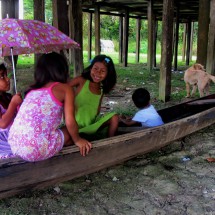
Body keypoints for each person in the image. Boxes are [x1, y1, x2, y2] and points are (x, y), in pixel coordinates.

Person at [8, 52, 92, 162]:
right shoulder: (66, 89)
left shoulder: (31, 91)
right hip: (34, 149)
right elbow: (70, 122)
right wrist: (78, 140)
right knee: (70, 131)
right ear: (62, 70)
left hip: (14, 143)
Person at [68, 54, 119, 138]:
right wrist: (68, 102)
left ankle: (111, 142)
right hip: (74, 128)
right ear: (91, 68)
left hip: (91, 126)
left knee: (115, 117)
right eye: (95, 69)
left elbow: (97, 109)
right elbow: (63, 89)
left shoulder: (101, 89)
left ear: (108, 74)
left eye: (102, 71)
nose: (98, 73)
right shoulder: (81, 80)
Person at [0, 62, 23, 159]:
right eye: (2, 76)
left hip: (15, 136)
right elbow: (3, 123)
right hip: (3, 144)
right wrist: (13, 104)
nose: (8, 79)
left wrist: (19, 105)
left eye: (6, 75)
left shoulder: (8, 97)